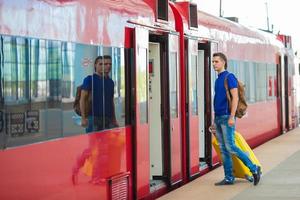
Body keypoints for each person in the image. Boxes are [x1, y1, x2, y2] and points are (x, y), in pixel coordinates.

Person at [212, 52, 261, 186]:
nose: (214, 64)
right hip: (218, 117)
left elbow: (235, 98)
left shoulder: (229, 77)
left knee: (231, 146)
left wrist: (232, 116)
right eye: (213, 62)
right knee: (223, 149)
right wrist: (214, 121)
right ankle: (229, 177)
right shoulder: (217, 79)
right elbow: (218, 100)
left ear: (223, 62)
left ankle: (254, 168)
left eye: (216, 61)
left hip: (227, 116)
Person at [80, 55, 118, 133]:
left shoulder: (110, 82)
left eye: (110, 64)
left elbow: (111, 102)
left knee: (107, 143)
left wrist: (114, 119)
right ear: (95, 65)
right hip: (93, 118)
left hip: (108, 118)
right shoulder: (89, 79)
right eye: (102, 64)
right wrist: (83, 118)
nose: (108, 66)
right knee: (94, 144)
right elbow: (82, 100)